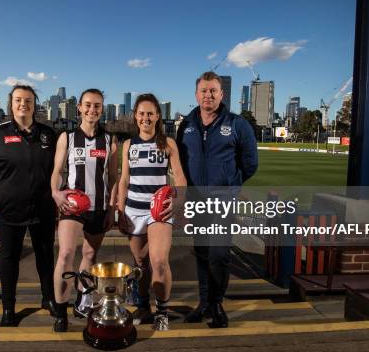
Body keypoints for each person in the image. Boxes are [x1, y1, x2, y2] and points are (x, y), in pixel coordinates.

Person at [176, 71, 258, 328]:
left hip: (222, 199)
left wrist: (230, 186)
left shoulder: (236, 123)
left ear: (222, 94)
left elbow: (250, 163)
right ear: (196, 94)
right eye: (204, 90)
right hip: (197, 198)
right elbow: (180, 162)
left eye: (213, 91)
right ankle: (204, 303)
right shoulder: (186, 125)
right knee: (201, 252)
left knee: (219, 253)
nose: (208, 95)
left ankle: (217, 304)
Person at [0, 84, 57, 327]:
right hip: (9, 210)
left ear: (35, 105)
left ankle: (49, 299)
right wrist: (1, 191)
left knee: (45, 256)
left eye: (29, 100)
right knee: (9, 258)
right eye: (19, 100)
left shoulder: (48, 134)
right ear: (11, 104)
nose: (24, 104)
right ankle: (8, 308)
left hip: (43, 208)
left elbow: (58, 168)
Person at [117, 93, 187, 331]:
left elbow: (179, 178)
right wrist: (119, 209)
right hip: (133, 210)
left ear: (158, 116)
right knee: (141, 263)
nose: (146, 118)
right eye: (141, 113)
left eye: (150, 113)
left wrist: (178, 202)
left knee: (158, 261)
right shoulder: (128, 145)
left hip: (158, 211)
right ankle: (144, 305)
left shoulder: (167, 143)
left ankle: (163, 311)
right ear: (135, 116)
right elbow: (124, 180)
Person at [51, 88, 118, 332]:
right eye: (87, 105)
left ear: (102, 110)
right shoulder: (67, 138)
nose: (92, 110)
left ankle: (83, 297)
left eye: (97, 106)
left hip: (99, 207)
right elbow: (57, 172)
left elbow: (113, 179)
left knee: (89, 256)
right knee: (67, 254)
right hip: (73, 205)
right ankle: (60, 311)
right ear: (79, 107)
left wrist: (112, 208)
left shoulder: (110, 141)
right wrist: (56, 193)